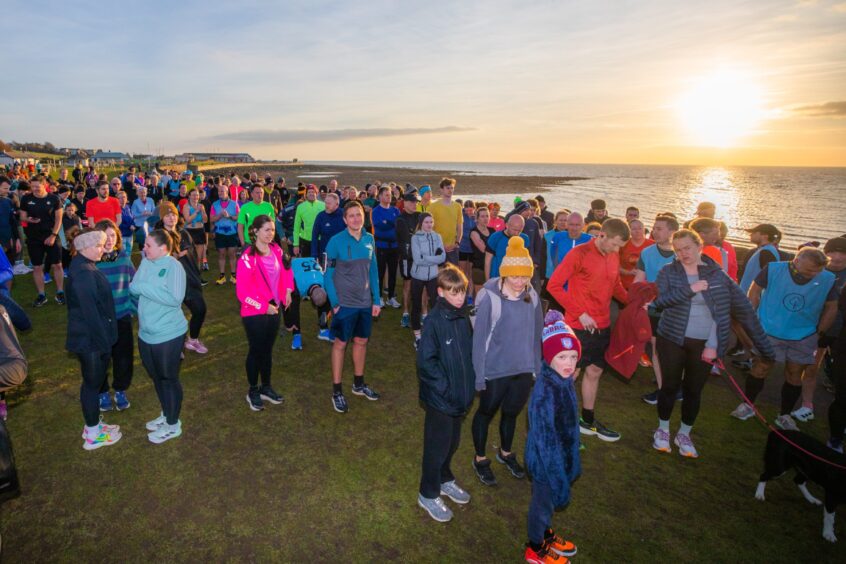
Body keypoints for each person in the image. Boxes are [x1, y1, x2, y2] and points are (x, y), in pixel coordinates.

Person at [653, 229, 773, 458]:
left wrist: (765, 350)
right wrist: (691, 289)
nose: (683, 253)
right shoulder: (668, 272)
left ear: (699, 246)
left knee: (693, 390)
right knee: (669, 386)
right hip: (671, 338)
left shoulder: (718, 276)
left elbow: (743, 312)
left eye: (687, 248)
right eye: (678, 250)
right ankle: (662, 429)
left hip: (705, 343)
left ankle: (684, 434)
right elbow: (661, 302)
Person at [733, 247, 838, 430]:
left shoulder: (827, 279)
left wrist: (819, 331)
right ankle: (747, 405)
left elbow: (832, 307)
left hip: (803, 335)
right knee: (761, 367)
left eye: (817, 271)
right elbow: (755, 290)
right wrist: (753, 318)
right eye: (809, 270)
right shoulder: (773, 269)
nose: (813, 274)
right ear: (796, 261)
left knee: (794, 373)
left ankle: (784, 414)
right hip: (769, 329)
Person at [547, 218, 630, 441]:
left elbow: (615, 285)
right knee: (570, 374)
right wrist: (579, 312)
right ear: (602, 235)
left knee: (594, 372)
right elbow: (553, 285)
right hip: (577, 325)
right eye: (614, 244)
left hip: (602, 326)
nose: (616, 250)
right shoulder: (579, 254)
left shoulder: (614, 254)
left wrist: (632, 301)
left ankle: (587, 420)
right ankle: (556, 421)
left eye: (620, 247)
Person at [471, 237, 543, 486]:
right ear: (505, 274)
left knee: (511, 413)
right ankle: (480, 458)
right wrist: (479, 375)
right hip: (495, 371)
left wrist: (537, 368)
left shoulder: (532, 296)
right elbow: (479, 341)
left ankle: (505, 453)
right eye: (515, 277)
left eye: (525, 277)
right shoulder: (490, 298)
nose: (521, 282)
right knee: (486, 412)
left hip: (522, 370)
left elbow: (536, 336)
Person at [416, 265, 476, 523]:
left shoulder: (464, 317)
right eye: (453, 293)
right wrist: (447, 390)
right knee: (436, 446)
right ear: (440, 293)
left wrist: (469, 385)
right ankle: (428, 493)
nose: (459, 297)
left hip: (460, 396)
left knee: (452, 443)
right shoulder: (433, 322)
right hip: (441, 399)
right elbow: (426, 363)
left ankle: (444, 478)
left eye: (461, 291)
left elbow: (468, 355)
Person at [523, 310, 581, 564]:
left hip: (560, 459)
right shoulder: (546, 392)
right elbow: (546, 442)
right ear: (548, 357)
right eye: (561, 356)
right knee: (541, 504)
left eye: (572, 356)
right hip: (547, 464)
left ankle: (544, 534)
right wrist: (559, 478)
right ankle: (535, 548)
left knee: (545, 507)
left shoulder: (563, 380)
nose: (568, 363)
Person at [130, 229, 188, 444]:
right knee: (156, 376)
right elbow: (133, 288)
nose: (143, 249)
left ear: (163, 249)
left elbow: (174, 299)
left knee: (168, 377)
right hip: (146, 332)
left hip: (169, 333)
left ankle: (173, 425)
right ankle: (167, 413)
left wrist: (145, 287)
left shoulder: (174, 266)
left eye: (148, 246)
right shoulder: (146, 262)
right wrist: (146, 288)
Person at [66, 229, 122, 450]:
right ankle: (92, 434)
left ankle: (94, 425)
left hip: (92, 339)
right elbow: (90, 313)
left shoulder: (85, 265)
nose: (102, 248)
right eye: (98, 245)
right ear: (84, 247)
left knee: (94, 382)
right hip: (90, 341)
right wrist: (104, 343)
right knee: (91, 385)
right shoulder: (83, 273)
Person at [324, 201, 381, 413]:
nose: (356, 219)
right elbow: (327, 274)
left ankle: (358, 384)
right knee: (340, 344)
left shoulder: (369, 239)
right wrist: (335, 303)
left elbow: (373, 270)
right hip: (344, 304)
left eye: (359, 215)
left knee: (361, 341)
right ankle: (337, 391)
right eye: (351, 216)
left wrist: (376, 300)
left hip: (365, 303)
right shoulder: (335, 241)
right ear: (345, 219)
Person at [236, 215, 294, 411]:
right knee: (256, 350)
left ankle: (266, 387)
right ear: (256, 231)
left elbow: (287, 270)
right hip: (254, 312)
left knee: (267, 350)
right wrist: (262, 307)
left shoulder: (276, 249)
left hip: (274, 309)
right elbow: (242, 293)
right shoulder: (247, 257)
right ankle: (253, 390)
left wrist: (287, 290)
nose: (271, 233)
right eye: (267, 230)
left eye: (273, 230)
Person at [796, 237, 846, 423]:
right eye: (833, 252)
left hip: (842, 332)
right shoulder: (816, 271)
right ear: (826, 253)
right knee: (810, 367)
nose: (838, 257)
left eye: (843, 253)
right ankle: (807, 405)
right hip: (818, 329)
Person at [634, 214, 680, 404]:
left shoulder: (682, 253)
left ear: (672, 231)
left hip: (678, 310)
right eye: (654, 227)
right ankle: (663, 391)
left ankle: (674, 387)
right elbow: (639, 281)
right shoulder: (646, 253)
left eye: (659, 228)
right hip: (653, 310)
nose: (654, 231)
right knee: (657, 349)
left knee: (676, 351)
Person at [93, 220, 137, 413]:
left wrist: (133, 308)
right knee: (101, 358)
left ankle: (120, 390)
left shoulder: (124, 258)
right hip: (100, 321)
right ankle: (102, 392)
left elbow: (134, 285)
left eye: (113, 235)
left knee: (124, 358)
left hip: (122, 317)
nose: (109, 240)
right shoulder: (92, 262)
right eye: (105, 236)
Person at [159, 202, 208, 354]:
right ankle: (177, 346)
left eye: (173, 214)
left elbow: (186, 253)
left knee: (200, 309)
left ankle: (192, 340)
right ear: (162, 218)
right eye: (167, 215)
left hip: (189, 278)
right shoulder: (158, 236)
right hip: (168, 282)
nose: (171, 217)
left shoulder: (183, 233)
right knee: (173, 317)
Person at [19, 175, 65, 307]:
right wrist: (29, 220)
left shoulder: (54, 198)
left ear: (44, 185)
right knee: (37, 267)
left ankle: (60, 292)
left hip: (51, 236)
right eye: (32, 186)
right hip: (33, 238)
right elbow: (22, 217)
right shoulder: (26, 198)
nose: (34, 189)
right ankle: (41, 295)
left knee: (57, 265)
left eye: (37, 186)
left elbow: (58, 219)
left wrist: (53, 235)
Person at [410, 213, 446, 349]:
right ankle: (417, 336)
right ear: (421, 223)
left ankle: (435, 332)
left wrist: (426, 257)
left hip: (433, 276)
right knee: (417, 305)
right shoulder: (415, 238)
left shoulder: (437, 237)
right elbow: (417, 260)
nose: (429, 225)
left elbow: (442, 257)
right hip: (417, 276)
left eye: (431, 222)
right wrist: (433, 258)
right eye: (426, 222)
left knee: (436, 304)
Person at [371, 186, 401, 308]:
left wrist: (387, 222)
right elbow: (379, 226)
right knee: (380, 272)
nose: (389, 197)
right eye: (386, 195)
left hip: (394, 246)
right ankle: (379, 297)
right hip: (381, 246)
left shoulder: (395, 210)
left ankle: (391, 297)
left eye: (390, 194)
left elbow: (397, 225)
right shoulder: (376, 210)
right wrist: (390, 223)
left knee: (393, 273)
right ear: (380, 196)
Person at [396, 190, 421, 328]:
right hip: (407, 257)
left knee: (421, 286)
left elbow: (427, 229)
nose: (414, 204)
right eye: (412, 202)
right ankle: (405, 313)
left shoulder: (419, 216)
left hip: (420, 258)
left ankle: (422, 313)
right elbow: (408, 237)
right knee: (408, 285)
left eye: (416, 202)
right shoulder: (400, 219)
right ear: (405, 203)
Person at [427, 178, 463, 265]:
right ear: (441, 190)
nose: (450, 190)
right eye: (448, 188)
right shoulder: (432, 207)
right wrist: (438, 245)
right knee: (437, 275)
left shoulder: (457, 206)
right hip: (437, 248)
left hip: (453, 248)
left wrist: (457, 243)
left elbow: (460, 226)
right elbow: (427, 228)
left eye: (452, 188)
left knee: (452, 275)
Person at [210, 183, 240, 284]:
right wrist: (219, 215)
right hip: (220, 233)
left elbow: (238, 217)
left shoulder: (234, 204)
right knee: (221, 254)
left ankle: (233, 276)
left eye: (222, 191)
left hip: (232, 233)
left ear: (227, 192)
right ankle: (222, 276)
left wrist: (229, 216)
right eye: (219, 191)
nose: (220, 193)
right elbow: (211, 219)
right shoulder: (214, 204)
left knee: (232, 254)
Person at [485, 214, 529, 280]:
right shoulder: (495, 237)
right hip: (496, 278)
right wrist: (488, 281)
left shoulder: (524, 239)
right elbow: (487, 261)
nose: (516, 233)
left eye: (519, 230)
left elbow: (526, 261)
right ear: (507, 225)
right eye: (514, 230)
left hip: (515, 280)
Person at [311, 192, 345, 265]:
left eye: (329, 203)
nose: (326, 205)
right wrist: (314, 255)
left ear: (337, 204)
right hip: (325, 256)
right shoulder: (321, 216)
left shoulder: (345, 215)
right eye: (325, 203)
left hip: (342, 255)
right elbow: (314, 236)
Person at [619, 219, 653, 290]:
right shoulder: (623, 244)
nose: (637, 231)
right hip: (623, 285)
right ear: (629, 231)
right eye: (634, 229)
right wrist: (629, 272)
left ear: (644, 229)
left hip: (644, 287)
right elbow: (615, 266)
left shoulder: (653, 245)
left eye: (640, 228)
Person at [293, 185, 325, 258]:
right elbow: (296, 227)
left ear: (316, 194)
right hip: (306, 240)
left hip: (320, 240)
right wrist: (296, 244)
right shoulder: (300, 207)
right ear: (306, 194)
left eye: (313, 192)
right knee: (307, 264)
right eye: (309, 192)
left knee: (320, 265)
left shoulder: (323, 206)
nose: (311, 194)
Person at [182, 189, 208, 273]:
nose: (195, 197)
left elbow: (205, 220)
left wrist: (203, 211)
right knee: (189, 255)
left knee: (199, 257)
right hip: (189, 232)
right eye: (193, 195)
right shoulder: (186, 206)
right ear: (189, 196)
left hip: (200, 231)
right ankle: (188, 274)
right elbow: (187, 220)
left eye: (197, 195)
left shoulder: (201, 205)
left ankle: (197, 274)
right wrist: (197, 211)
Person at [469, 205, 492, 294]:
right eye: (482, 216)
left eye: (487, 216)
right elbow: (483, 249)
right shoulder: (474, 232)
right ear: (477, 218)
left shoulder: (492, 230)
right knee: (480, 296)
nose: (485, 218)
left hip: (492, 266)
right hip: (479, 267)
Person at [458, 200, 477, 296]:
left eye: (471, 210)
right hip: (462, 248)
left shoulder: (476, 218)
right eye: (467, 210)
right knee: (462, 272)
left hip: (473, 249)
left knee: (470, 273)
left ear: (474, 209)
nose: (469, 212)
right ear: (464, 209)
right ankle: (462, 292)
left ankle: (469, 295)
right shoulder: (461, 216)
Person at [130, 185, 156, 249]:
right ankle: (143, 256)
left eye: (144, 192)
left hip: (149, 225)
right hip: (139, 225)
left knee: (150, 241)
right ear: (137, 193)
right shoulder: (135, 202)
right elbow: (133, 214)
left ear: (146, 193)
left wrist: (150, 213)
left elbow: (155, 212)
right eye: (141, 192)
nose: (143, 194)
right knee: (141, 242)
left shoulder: (151, 200)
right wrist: (141, 214)